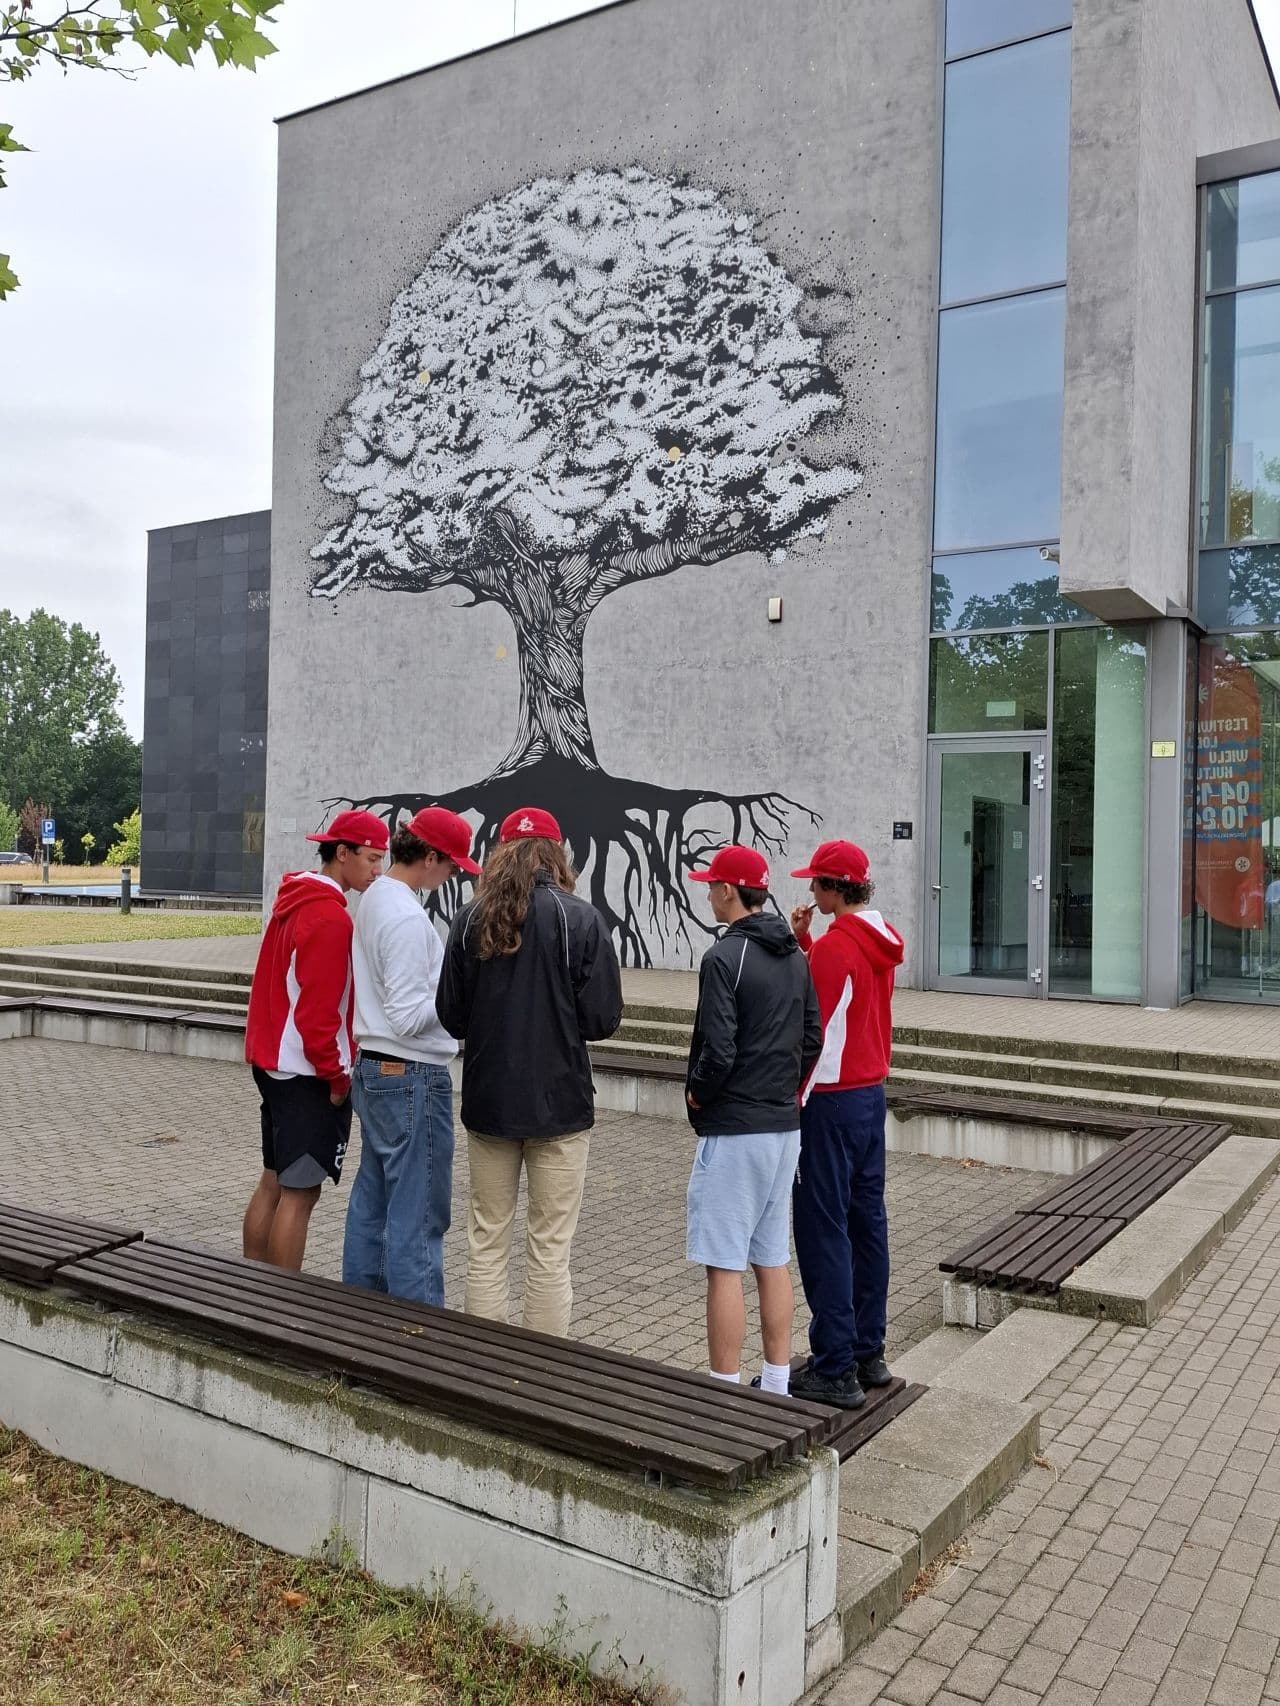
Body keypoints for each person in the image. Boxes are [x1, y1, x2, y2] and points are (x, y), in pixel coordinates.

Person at [436, 808, 622, 1335]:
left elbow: (450, 1015)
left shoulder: (470, 919)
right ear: (557, 854)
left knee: (486, 1239)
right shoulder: (581, 918)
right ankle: (542, 1370)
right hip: (561, 1105)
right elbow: (602, 1019)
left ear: (500, 853)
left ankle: (484, 1362)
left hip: (489, 1102)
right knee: (550, 1247)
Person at [684, 845, 822, 1392]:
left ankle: (723, 1391)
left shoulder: (723, 957)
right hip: (784, 1129)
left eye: (711, 886)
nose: (708, 894)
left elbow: (717, 1050)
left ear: (728, 891)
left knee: (724, 1264)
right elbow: (812, 1037)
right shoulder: (794, 953)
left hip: (736, 1128)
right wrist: (781, 1087)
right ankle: (777, 1383)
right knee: (771, 1258)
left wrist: (698, 1094)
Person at [342, 805, 481, 1305]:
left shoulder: (377, 897)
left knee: (374, 1198)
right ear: (430, 858)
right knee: (419, 1212)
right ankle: (417, 1331)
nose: (451, 878)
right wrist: (460, 998)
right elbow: (405, 1015)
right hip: (411, 1072)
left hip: (377, 1067)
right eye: (451, 867)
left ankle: (362, 1311)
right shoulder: (403, 916)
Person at [242, 809, 389, 1272]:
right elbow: (317, 1014)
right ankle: (282, 1301)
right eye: (371, 859)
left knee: (273, 1180)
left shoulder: (295, 899)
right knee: (300, 1193)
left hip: (273, 1061)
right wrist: (336, 1076)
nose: (377, 871)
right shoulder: (329, 917)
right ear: (342, 853)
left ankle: (251, 1287)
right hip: (306, 1071)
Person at [787, 840, 905, 1410]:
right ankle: (867, 1350)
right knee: (867, 1223)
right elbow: (848, 1008)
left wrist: (793, 1100)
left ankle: (834, 1366)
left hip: (830, 1101)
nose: (811, 890)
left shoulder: (838, 946)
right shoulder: (877, 937)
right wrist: (807, 942)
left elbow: (816, 1029)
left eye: (817, 882)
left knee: (823, 1228)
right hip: (869, 1095)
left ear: (835, 888)